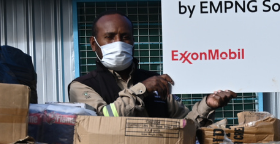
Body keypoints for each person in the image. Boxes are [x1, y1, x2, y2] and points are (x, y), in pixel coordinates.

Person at [68, 11, 236, 123]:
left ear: (133, 41)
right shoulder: (83, 86)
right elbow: (100, 121)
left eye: (125, 37)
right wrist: (142, 89)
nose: (118, 43)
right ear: (94, 44)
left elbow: (186, 125)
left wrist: (207, 105)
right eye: (110, 37)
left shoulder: (156, 82)